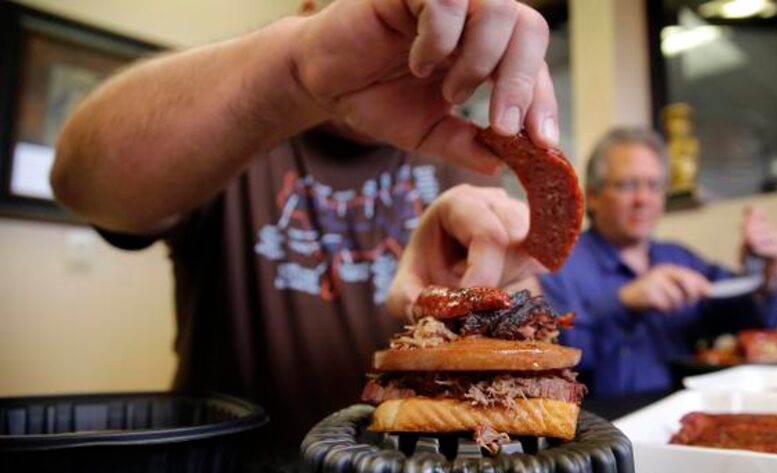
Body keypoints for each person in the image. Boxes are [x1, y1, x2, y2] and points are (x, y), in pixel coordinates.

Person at [50, 0, 555, 446]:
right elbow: (80, 181)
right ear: (313, 9)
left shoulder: (465, 160)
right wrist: (299, 69)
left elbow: (524, 333)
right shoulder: (236, 132)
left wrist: (477, 302)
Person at [537, 127, 777, 396]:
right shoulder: (559, 267)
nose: (643, 199)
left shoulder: (680, 259)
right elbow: (550, 360)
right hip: (604, 430)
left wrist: (765, 276)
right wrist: (622, 303)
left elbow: (756, 320)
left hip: (683, 418)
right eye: (627, 185)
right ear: (594, 196)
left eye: (654, 186)